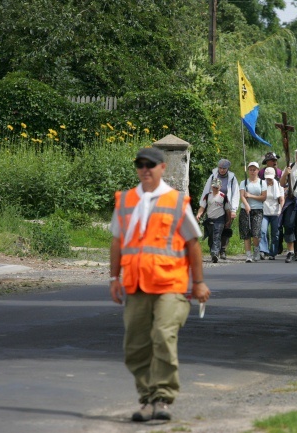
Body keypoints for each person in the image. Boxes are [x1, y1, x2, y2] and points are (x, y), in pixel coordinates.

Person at [110, 146, 211, 422]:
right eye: (140, 165)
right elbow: (118, 242)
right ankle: (147, 399)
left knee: (163, 335)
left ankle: (163, 399)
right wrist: (113, 278)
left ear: (162, 168)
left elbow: (192, 243)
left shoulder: (177, 201)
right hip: (136, 285)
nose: (145, 169)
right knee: (135, 346)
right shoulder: (126, 200)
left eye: (150, 165)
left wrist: (199, 282)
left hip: (171, 285)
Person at [199, 159, 240, 260]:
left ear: (227, 168)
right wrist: (203, 206)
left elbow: (235, 194)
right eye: (220, 168)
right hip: (214, 205)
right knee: (213, 230)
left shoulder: (232, 178)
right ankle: (213, 250)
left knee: (225, 228)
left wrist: (234, 209)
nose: (221, 170)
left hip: (227, 206)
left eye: (224, 168)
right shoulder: (213, 176)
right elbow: (206, 191)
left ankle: (222, 250)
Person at [239, 162, 267, 262]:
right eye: (250, 169)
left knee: (256, 233)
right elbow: (242, 195)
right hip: (245, 209)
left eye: (254, 169)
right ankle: (248, 255)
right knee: (246, 233)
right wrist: (246, 205)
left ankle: (256, 250)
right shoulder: (244, 182)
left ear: (258, 171)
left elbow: (264, 197)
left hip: (257, 210)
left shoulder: (262, 183)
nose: (252, 171)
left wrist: (251, 196)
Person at [196, 178, 226, 262]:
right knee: (211, 238)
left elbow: (227, 210)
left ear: (220, 187)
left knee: (217, 236)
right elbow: (202, 207)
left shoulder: (223, 196)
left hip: (220, 219)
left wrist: (228, 220)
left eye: (217, 187)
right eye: (214, 187)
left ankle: (215, 253)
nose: (215, 189)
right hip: (209, 219)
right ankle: (212, 252)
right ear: (211, 187)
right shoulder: (207, 196)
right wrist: (199, 214)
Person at [260, 167, 284, 259]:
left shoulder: (278, 185)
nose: (269, 179)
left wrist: (281, 210)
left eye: (270, 177)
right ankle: (263, 250)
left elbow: (281, 199)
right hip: (264, 211)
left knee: (275, 233)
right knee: (263, 231)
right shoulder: (261, 184)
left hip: (275, 212)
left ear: (274, 176)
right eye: (267, 178)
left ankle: (273, 253)